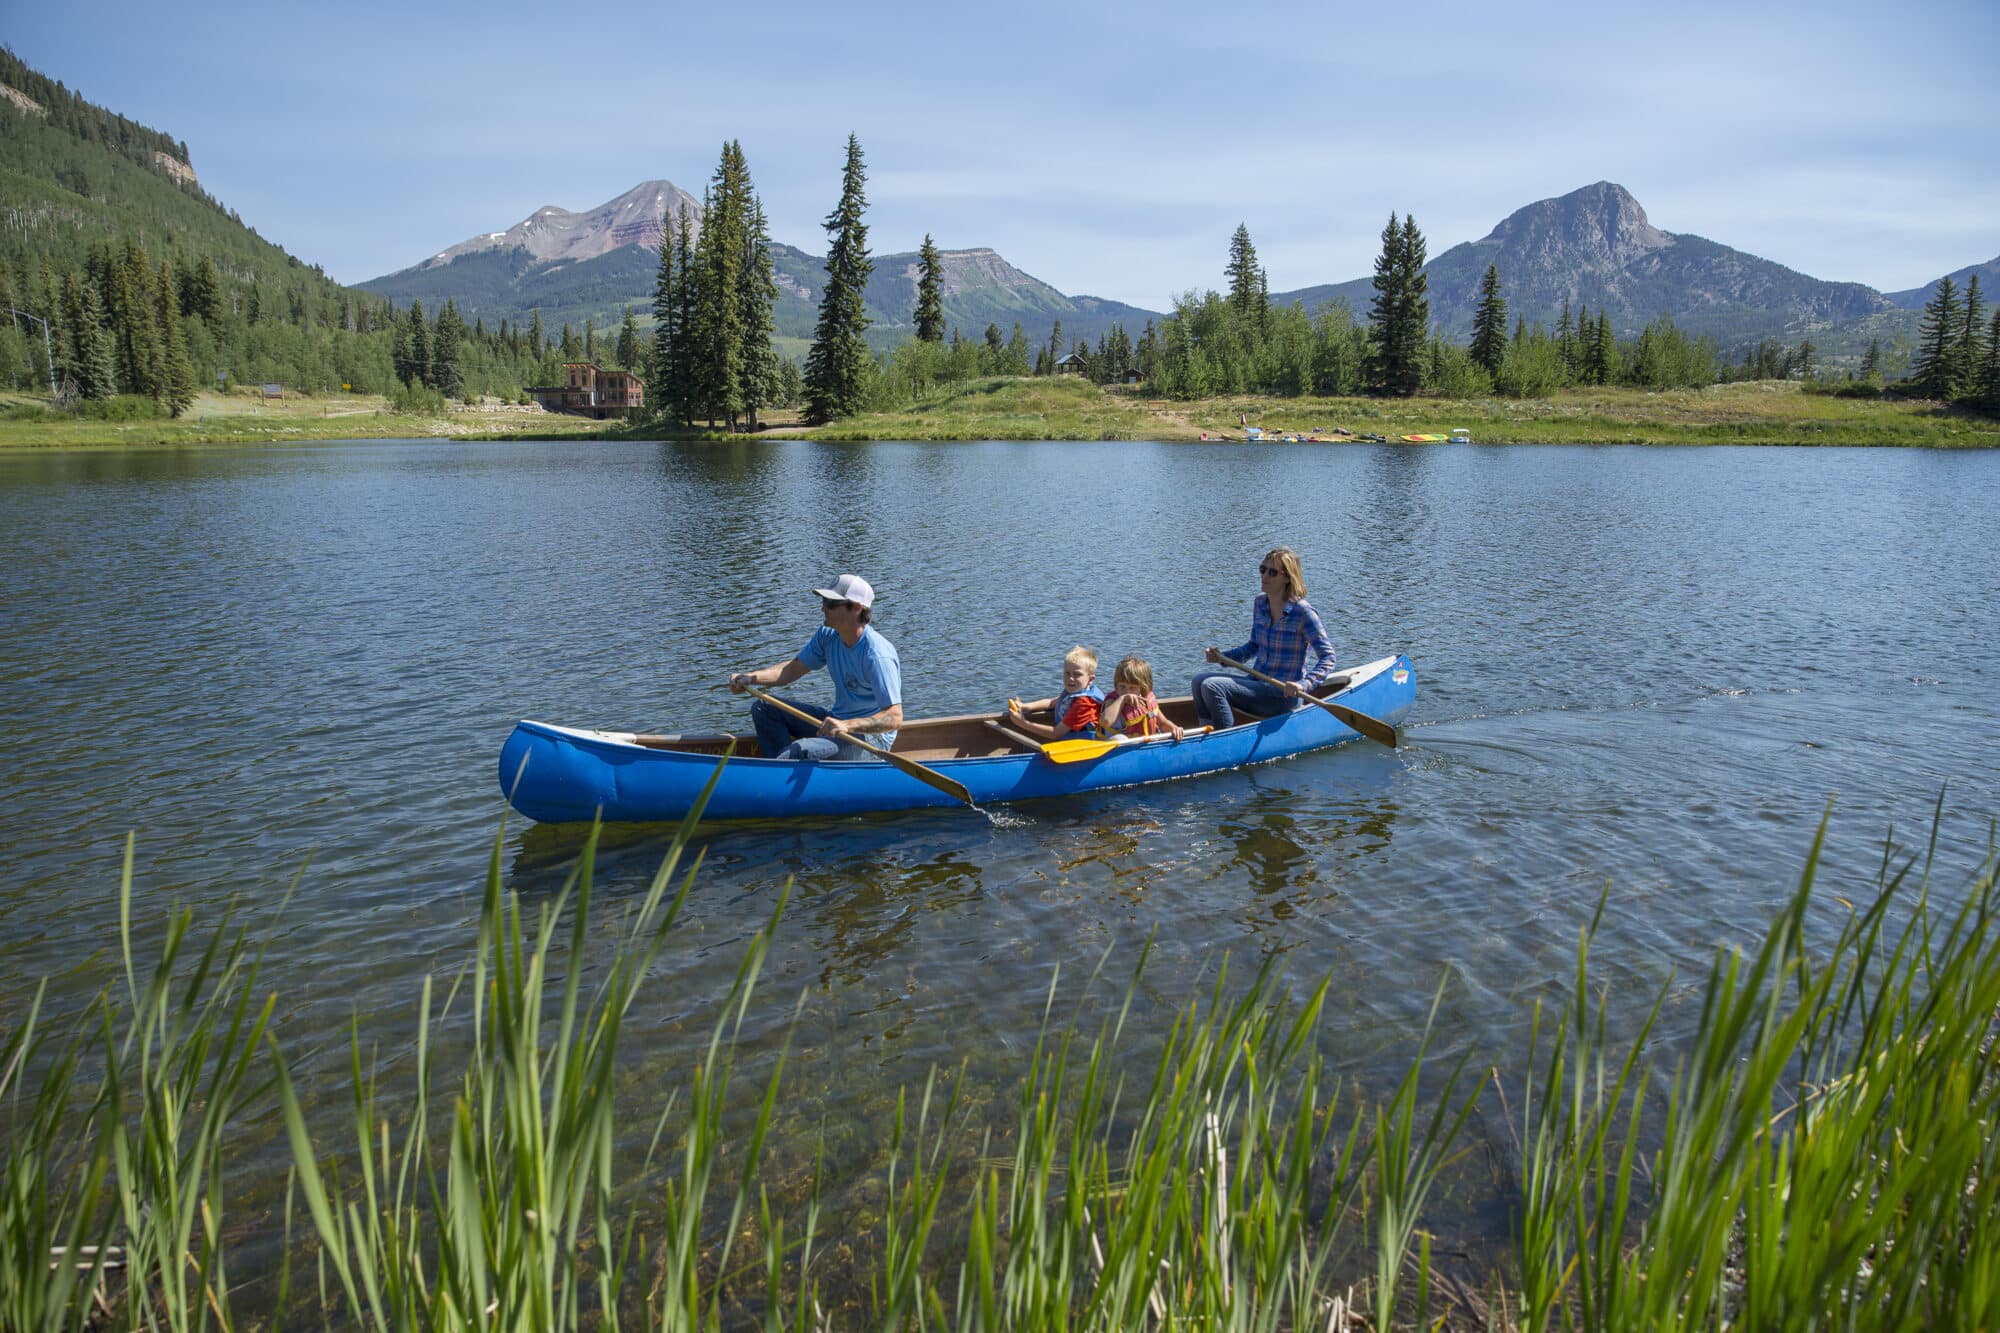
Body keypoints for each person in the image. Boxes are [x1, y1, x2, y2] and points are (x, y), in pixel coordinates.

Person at [729, 574, 902, 760]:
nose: (823, 608)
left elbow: (894, 718)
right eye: (823, 601)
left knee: (799, 751)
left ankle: (786, 765)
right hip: (836, 723)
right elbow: (792, 669)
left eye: (831, 603)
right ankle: (785, 766)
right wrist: (750, 678)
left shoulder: (877, 655)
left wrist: (848, 726)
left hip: (870, 741)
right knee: (764, 708)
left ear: (857, 608)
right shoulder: (828, 635)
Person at [1191, 546, 1335, 730]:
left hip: (1281, 696)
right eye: (1262, 569)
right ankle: (1207, 729)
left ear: (1287, 577)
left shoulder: (1303, 613)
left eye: (1272, 572)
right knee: (1198, 680)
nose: (1264, 576)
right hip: (1257, 684)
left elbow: (1328, 657)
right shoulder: (1260, 603)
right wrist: (1222, 657)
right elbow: (1253, 646)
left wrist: (1303, 684)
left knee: (1213, 686)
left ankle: (1224, 737)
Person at [1006, 646, 1103, 742]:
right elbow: (1051, 702)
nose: (1070, 678)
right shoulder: (1074, 692)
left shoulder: (1085, 703)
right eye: (1067, 673)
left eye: (1077, 674)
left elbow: (1056, 734)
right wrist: (1026, 706)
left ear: (1090, 679)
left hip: (1085, 747)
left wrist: (1023, 723)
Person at [1100, 656, 1185, 741]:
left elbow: (1162, 723)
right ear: (1116, 685)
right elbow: (1105, 721)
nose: (1127, 691)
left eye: (1132, 688)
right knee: (1120, 738)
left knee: (1157, 736)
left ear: (1142, 688)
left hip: (1143, 746)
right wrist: (1122, 699)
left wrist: (1174, 728)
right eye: (1122, 686)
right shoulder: (1112, 701)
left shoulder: (1146, 701)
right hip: (1117, 748)